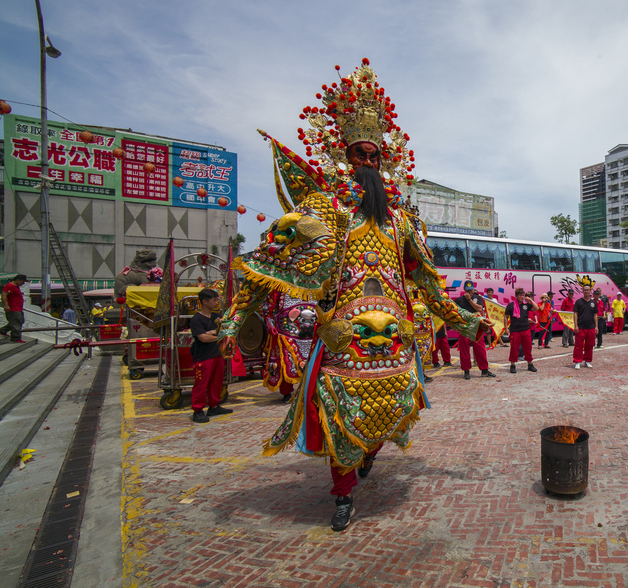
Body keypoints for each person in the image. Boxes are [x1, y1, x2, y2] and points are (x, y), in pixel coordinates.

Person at [218, 60, 491, 532]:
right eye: (360, 156)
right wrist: (235, 315)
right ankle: (342, 494)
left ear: (385, 163)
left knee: (393, 406)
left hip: (395, 338)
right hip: (345, 340)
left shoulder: (403, 222)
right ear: (345, 159)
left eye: (375, 157)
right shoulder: (328, 209)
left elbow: (427, 282)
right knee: (340, 408)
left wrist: (466, 319)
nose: (368, 165)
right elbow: (273, 259)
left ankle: (369, 454)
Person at [190, 288, 232, 423]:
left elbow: (224, 330)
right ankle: (197, 410)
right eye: (214, 300)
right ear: (204, 301)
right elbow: (203, 338)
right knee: (201, 383)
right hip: (203, 356)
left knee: (217, 381)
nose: (216, 303)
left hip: (217, 353)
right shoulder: (196, 319)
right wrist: (218, 335)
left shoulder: (217, 316)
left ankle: (214, 405)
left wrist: (213, 333)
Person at [456, 282, 495, 379]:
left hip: (477, 327)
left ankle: (484, 370)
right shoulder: (459, 300)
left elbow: (479, 309)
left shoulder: (478, 298)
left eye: (471, 289)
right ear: (464, 289)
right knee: (464, 349)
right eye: (467, 289)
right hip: (464, 327)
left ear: (473, 289)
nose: (469, 291)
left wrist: (469, 299)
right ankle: (466, 371)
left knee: (480, 349)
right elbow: (455, 312)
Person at [504, 288, 538, 373]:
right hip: (515, 330)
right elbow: (506, 316)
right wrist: (506, 328)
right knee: (514, 348)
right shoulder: (511, 305)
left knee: (528, 347)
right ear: (516, 296)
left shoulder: (526, 305)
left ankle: (530, 364)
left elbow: (536, 308)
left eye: (523, 295)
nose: (522, 297)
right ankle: (512, 365)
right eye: (520, 295)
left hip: (526, 329)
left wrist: (530, 300)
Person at [572, 281, 599, 369]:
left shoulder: (593, 303)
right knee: (578, 345)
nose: (586, 291)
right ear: (582, 291)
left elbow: (595, 315)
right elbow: (575, 313)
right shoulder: (578, 302)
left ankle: (587, 361)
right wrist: (575, 325)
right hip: (581, 327)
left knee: (590, 345)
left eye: (588, 290)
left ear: (590, 291)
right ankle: (577, 361)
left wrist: (596, 326)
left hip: (591, 327)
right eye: (585, 290)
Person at [0, 274, 28, 343]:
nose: (23, 283)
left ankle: (2, 330)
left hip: (17, 308)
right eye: (22, 282)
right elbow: (4, 295)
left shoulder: (16, 287)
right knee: (16, 322)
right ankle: (15, 337)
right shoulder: (10, 286)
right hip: (13, 308)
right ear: (18, 280)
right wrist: (6, 305)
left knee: (19, 321)